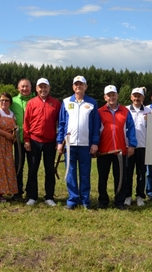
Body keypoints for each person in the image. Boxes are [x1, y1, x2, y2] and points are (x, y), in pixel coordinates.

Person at [57, 76, 100, 209]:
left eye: (81, 84)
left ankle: (85, 201)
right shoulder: (65, 102)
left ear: (86, 87)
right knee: (70, 173)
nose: (78, 87)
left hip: (85, 144)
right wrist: (60, 141)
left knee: (85, 174)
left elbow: (95, 125)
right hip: (69, 145)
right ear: (73, 87)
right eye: (76, 84)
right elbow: (62, 123)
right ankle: (72, 200)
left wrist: (94, 143)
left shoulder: (92, 103)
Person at [97, 85, 137, 210]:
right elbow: (95, 131)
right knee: (102, 177)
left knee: (120, 177)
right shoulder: (99, 112)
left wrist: (132, 145)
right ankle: (103, 201)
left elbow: (131, 129)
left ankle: (119, 201)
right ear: (105, 97)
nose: (111, 97)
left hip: (120, 151)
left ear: (117, 96)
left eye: (113, 94)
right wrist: (94, 146)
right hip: (104, 151)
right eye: (109, 95)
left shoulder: (125, 111)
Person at [23, 78, 61, 207]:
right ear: (36, 89)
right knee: (32, 169)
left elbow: (59, 123)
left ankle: (49, 196)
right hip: (34, 141)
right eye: (40, 87)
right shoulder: (31, 103)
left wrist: (58, 140)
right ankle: (32, 196)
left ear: (49, 88)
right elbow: (26, 123)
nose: (43, 89)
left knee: (49, 170)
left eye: (45, 87)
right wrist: (27, 139)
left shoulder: (56, 103)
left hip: (50, 142)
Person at [125, 87, 151, 207]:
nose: (137, 98)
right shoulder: (125, 110)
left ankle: (140, 196)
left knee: (141, 173)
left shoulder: (148, 111)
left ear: (143, 98)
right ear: (131, 97)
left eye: (139, 96)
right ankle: (127, 196)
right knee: (128, 172)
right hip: (128, 147)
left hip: (142, 146)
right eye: (134, 96)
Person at [11, 78, 34, 200]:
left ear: (31, 88)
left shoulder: (35, 100)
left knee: (32, 167)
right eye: (22, 86)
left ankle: (30, 193)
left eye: (27, 86)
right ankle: (17, 192)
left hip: (32, 140)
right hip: (18, 140)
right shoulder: (13, 101)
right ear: (18, 88)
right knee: (18, 166)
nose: (25, 89)